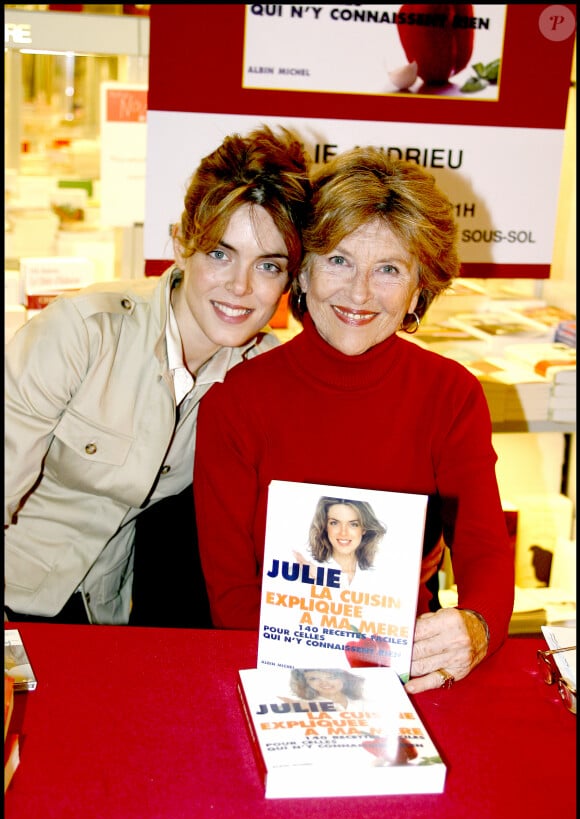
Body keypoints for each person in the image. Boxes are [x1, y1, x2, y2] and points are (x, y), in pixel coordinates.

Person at [193, 146, 515, 693]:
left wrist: (477, 625)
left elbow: (484, 545)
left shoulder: (450, 394)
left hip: (409, 671)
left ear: (419, 286)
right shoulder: (236, 401)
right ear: (303, 271)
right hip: (269, 673)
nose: (360, 294)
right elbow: (231, 595)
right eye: (339, 260)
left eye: (389, 269)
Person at [4, 125, 312, 625]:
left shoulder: (260, 377)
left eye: (268, 266)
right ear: (182, 243)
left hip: (105, 617)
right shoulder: (85, 333)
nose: (240, 287)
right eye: (220, 253)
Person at [293, 496, 387, 587]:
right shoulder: (305, 571)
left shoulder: (376, 577)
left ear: (364, 529)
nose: (343, 533)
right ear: (325, 526)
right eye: (334, 523)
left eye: (353, 524)